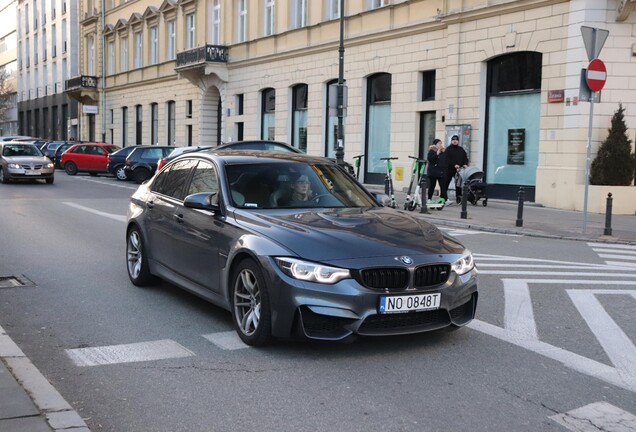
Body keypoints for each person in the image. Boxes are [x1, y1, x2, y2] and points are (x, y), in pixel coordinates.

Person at [444, 135, 469, 203]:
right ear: (451, 141)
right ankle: (444, 197)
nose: (455, 141)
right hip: (449, 170)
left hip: (459, 170)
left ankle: (458, 197)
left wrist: (465, 164)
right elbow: (446, 159)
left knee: (458, 184)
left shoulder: (461, 149)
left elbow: (465, 158)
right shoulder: (448, 149)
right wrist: (454, 165)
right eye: (453, 140)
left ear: (458, 141)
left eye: (456, 140)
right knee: (446, 183)